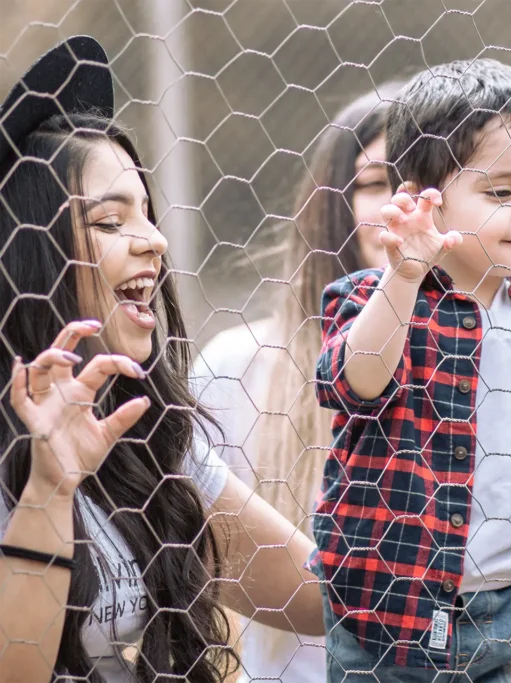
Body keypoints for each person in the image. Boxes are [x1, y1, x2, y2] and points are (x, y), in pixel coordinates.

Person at [193, 80, 511, 681]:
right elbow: (187, 549)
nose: (411, 213)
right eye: (379, 185)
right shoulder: (241, 364)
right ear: (332, 199)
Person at [0, 37, 325, 683]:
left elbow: (315, 595)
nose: (154, 241)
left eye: (147, 214)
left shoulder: (143, 429)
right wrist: (49, 490)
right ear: (29, 251)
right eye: (111, 221)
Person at [311, 58, 511, 682]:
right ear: (422, 199)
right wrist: (404, 273)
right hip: (389, 609)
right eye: (502, 192)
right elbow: (353, 383)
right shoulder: (370, 297)